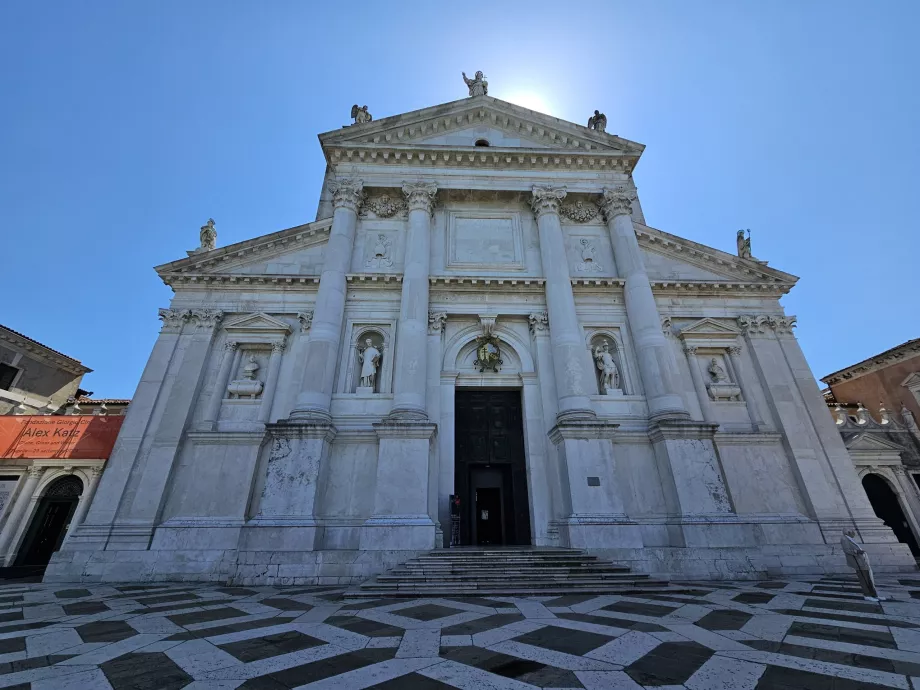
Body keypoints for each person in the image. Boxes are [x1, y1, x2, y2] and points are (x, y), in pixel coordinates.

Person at [841, 530, 883, 600]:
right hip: (858, 562)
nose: (854, 533)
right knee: (864, 579)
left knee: (869, 578)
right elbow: (847, 550)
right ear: (848, 532)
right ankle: (867, 595)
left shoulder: (849, 539)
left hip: (862, 561)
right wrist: (857, 551)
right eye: (852, 531)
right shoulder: (844, 539)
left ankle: (874, 594)